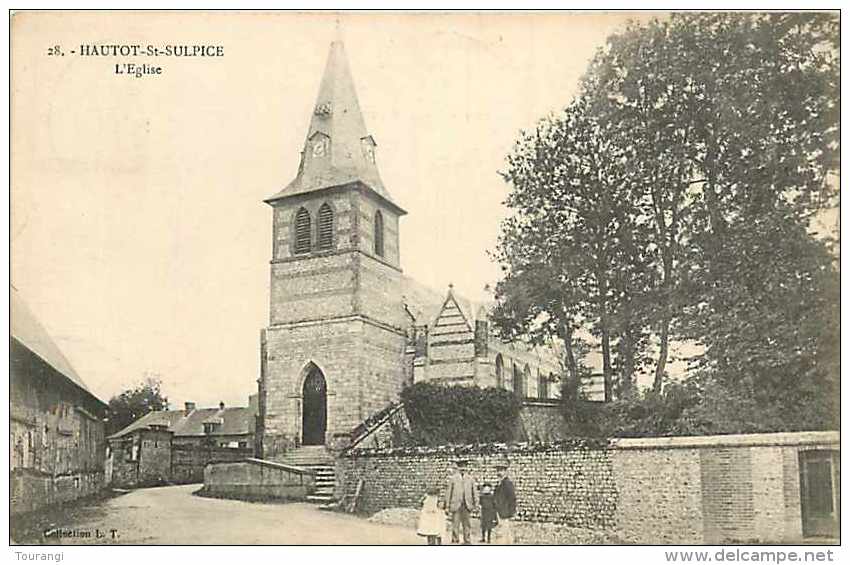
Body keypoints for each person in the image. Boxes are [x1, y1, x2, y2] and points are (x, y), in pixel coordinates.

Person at [445, 459, 477, 544]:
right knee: (455, 524)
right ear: (458, 468)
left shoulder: (471, 479)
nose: (463, 468)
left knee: (467, 524)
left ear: (467, 467)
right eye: (461, 466)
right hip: (456, 505)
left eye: (464, 466)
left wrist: (476, 504)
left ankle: (467, 540)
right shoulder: (453, 479)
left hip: (467, 505)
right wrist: (447, 506)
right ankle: (455, 540)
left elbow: (475, 492)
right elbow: (448, 493)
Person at [493, 460, 516, 544]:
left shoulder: (507, 483)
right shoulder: (499, 483)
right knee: (506, 534)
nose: (499, 472)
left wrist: (510, 512)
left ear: (505, 471)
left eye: (501, 470)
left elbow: (512, 498)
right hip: (499, 512)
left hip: (504, 512)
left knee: (501, 535)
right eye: (498, 470)